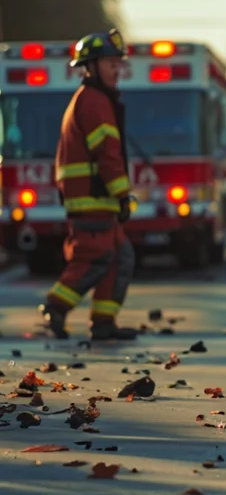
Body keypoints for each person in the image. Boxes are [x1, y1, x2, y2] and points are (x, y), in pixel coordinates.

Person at [38, 29, 137, 341]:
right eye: (110, 63)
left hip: (98, 199)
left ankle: (104, 323)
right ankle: (55, 307)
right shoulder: (94, 101)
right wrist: (122, 195)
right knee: (95, 257)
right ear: (90, 66)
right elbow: (106, 154)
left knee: (119, 256)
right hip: (92, 199)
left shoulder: (96, 99)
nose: (116, 70)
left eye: (118, 64)